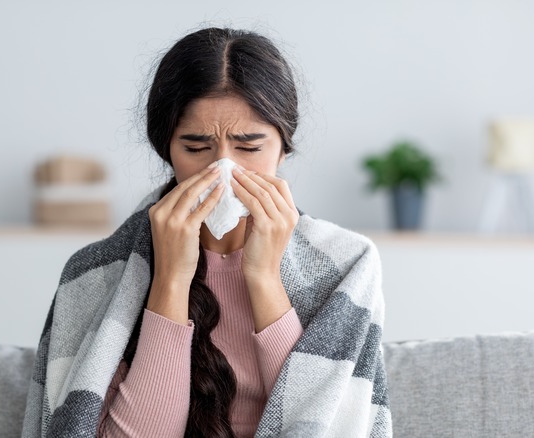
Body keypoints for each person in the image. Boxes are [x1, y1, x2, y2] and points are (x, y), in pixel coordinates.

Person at [22, 27, 392, 438]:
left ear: (284, 149)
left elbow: (327, 427)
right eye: (196, 149)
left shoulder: (347, 265)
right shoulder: (95, 275)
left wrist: (264, 277)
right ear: (167, 151)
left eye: (249, 148)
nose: (222, 170)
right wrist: (171, 280)